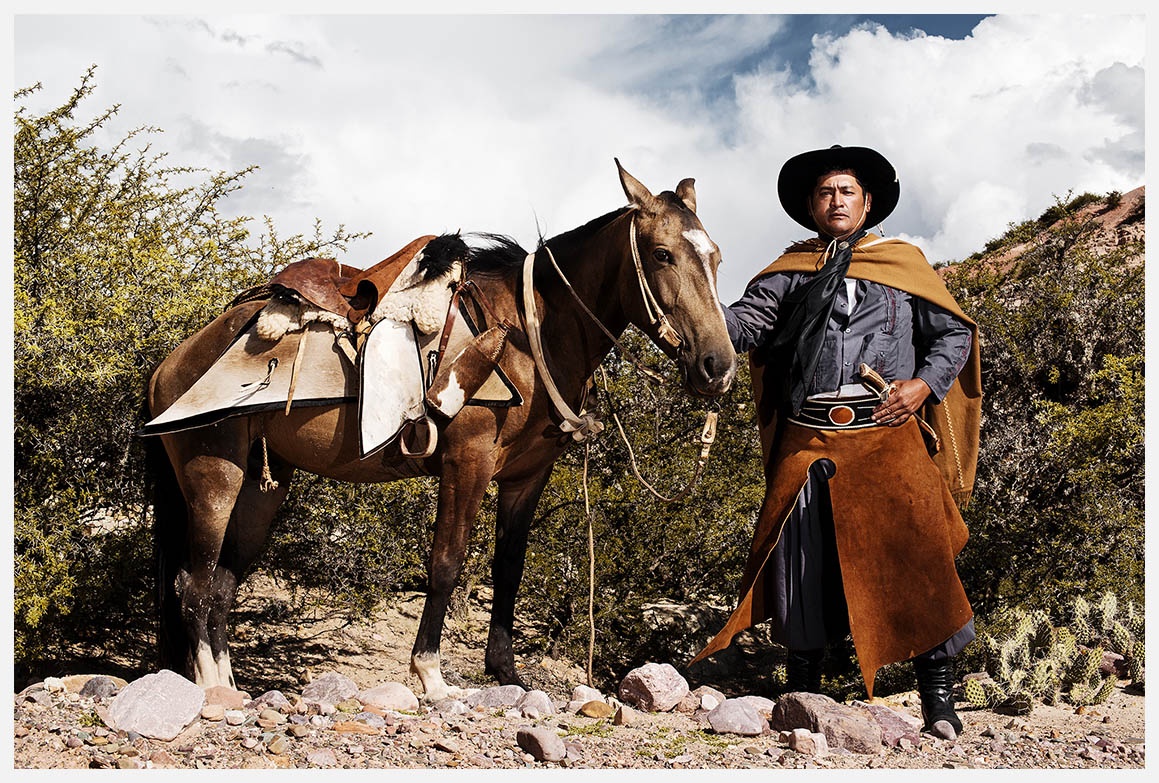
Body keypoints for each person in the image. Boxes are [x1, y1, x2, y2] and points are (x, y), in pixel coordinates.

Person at [690, 145, 982, 739]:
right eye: (826, 193)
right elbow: (747, 325)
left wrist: (921, 387)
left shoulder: (902, 266)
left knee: (921, 562)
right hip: (811, 438)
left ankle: (939, 701)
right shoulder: (789, 272)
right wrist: (701, 318)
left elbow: (952, 337)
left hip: (888, 437)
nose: (837, 200)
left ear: (867, 202)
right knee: (800, 564)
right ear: (811, 206)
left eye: (847, 191)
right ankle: (803, 697)